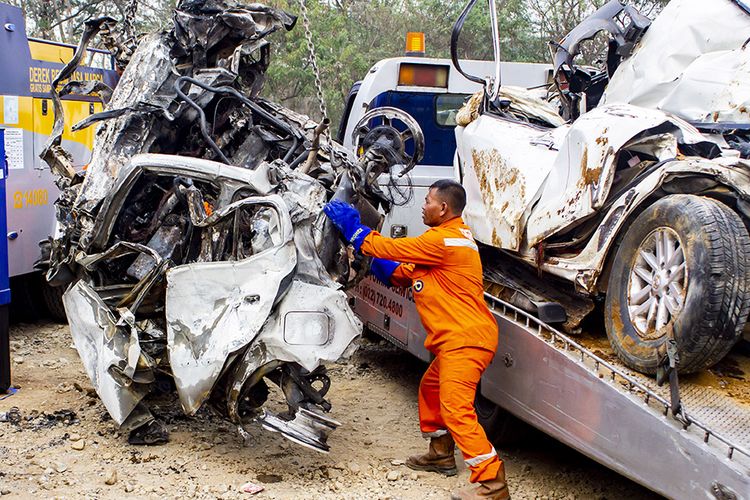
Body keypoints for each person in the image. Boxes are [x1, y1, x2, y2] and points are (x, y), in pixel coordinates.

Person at [324, 180, 509, 500]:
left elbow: (389, 248)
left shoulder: (444, 240)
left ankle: (493, 484)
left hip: (465, 340)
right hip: (460, 339)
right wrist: (367, 253)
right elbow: (399, 272)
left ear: (444, 209)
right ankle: (440, 453)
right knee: (432, 389)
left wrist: (355, 228)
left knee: (456, 408)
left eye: (427, 201)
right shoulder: (445, 243)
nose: (422, 206)